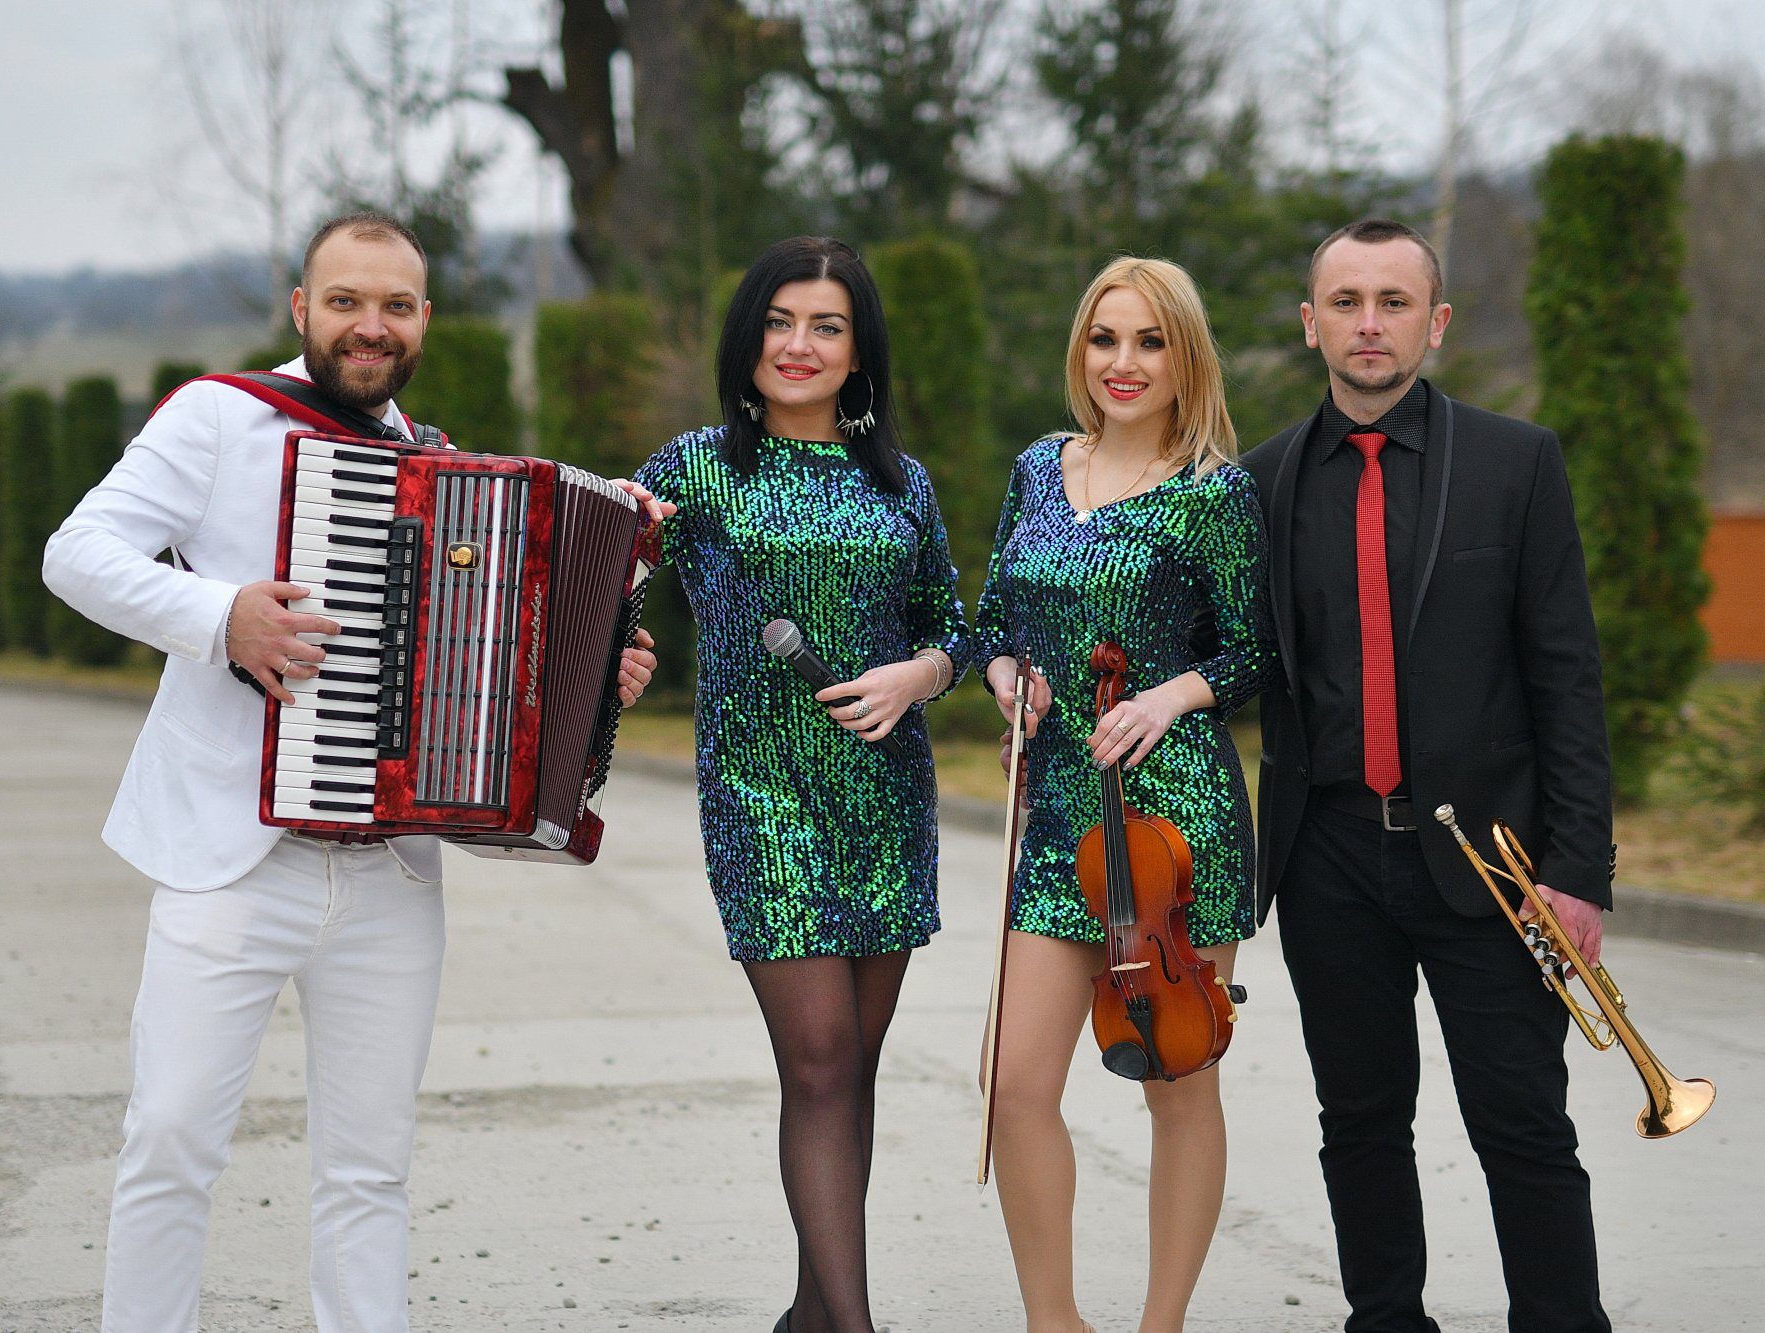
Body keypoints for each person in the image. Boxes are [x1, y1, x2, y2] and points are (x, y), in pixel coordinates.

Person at [42, 211, 662, 1333]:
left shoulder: (443, 469)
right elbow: (75, 554)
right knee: (172, 1137)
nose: (369, 326)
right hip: (232, 857)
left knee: (369, 1167)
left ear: (423, 319)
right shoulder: (219, 418)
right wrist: (219, 616)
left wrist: (588, 680)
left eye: (394, 306)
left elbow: (486, 678)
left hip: (390, 873)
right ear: (302, 309)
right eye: (345, 302)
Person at [1239, 218, 1614, 1333]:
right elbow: (1222, 659)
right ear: (1309, 324)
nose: (1370, 323)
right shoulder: (1257, 483)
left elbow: (1566, 675)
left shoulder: (1516, 462)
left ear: (1434, 322)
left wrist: (1578, 868)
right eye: (1345, 301)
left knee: (1522, 1122)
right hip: (1327, 854)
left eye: (1393, 302)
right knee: (1357, 1121)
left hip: (1493, 860)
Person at [632, 235, 965, 1333]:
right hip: (759, 795)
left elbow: (951, 629)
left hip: (886, 797)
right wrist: (620, 645)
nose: (798, 344)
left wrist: (917, 675)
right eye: (778, 322)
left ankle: (811, 1318)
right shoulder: (695, 468)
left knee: (849, 1070)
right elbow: (596, 573)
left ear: (859, 352)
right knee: (818, 1061)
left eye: (826, 326)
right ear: (748, 337)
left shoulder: (900, 483)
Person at [972, 256, 1277, 1333]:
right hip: (1062, 806)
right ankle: (1054, 1322)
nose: (1124, 361)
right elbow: (992, 623)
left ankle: (1161, 1324)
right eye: (1105, 338)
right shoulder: (1037, 467)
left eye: (1150, 340)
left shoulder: (1213, 491)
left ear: (1185, 356)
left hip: (1174, 820)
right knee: (1013, 1085)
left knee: (1176, 1077)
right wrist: (1009, 682)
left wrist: (1169, 696)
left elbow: (1254, 648)